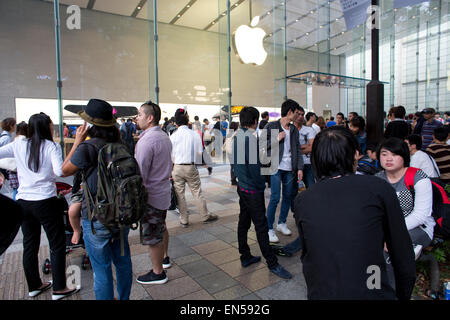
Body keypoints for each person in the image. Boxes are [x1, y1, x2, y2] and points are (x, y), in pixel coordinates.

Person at [294, 127, 416, 300]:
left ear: (316, 159)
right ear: (355, 155)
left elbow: (309, 255)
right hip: (371, 288)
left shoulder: (303, 200)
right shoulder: (378, 188)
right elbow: (402, 254)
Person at [0, 113, 79, 300]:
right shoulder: (51, 146)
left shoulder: (19, 144)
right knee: (57, 243)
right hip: (45, 201)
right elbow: (60, 171)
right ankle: (59, 288)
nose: (53, 127)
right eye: (51, 124)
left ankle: (34, 285)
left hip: (23, 202)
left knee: (30, 244)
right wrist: (76, 144)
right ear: (47, 127)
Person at [61, 99, 132, 300]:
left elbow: (64, 170)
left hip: (96, 218)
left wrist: (77, 142)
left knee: (101, 270)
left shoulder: (87, 148)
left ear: (91, 124)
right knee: (123, 262)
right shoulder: (122, 145)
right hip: (122, 214)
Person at [233, 107, 292, 279]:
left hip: (242, 186)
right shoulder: (250, 139)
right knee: (261, 226)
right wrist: (261, 186)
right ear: (255, 121)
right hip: (252, 189)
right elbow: (254, 168)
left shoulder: (237, 135)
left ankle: (245, 256)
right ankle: (272, 263)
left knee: (243, 222)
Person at [375, 138, 435, 289]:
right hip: (386, 229)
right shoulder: (377, 180)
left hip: (418, 228)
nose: (388, 159)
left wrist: (390, 233)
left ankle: (393, 290)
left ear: (404, 157)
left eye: (394, 154)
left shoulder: (418, 177)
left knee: (392, 247)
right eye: (384, 154)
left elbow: (421, 215)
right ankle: (375, 288)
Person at [135, 101, 172, 285]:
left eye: (140, 115)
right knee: (161, 227)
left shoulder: (147, 141)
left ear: (150, 118)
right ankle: (164, 258)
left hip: (151, 196)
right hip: (163, 192)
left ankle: (158, 273)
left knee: (152, 236)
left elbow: (140, 173)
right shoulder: (164, 136)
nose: (137, 118)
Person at [263, 99, 303, 243]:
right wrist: (276, 139)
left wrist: (299, 168)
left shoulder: (293, 130)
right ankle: (269, 228)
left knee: (287, 196)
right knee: (274, 197)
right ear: (290, 112)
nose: (298, 116)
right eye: (297, 113)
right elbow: (261, 146)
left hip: (289, 169)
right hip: (276, 167)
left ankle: (281, 223)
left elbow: (298, 149)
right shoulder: (271, 126)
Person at [170, 108, 218, 227]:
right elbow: (199, 153)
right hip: (190, 166)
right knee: (197, 192)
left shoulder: (172, 136)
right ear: (187, 121)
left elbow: (170, 156)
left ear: (176, 123)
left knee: (179, 194)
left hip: (177, 167)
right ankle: (205, 215)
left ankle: (184, 219)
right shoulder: (194, 135)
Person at [224, 121, 239, 186]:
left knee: (232, 166)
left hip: (229, 151)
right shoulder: (236, 133)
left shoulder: (229, 133)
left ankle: (233, 179)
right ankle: (233, 179)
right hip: (233, 151)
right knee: (235, 166)